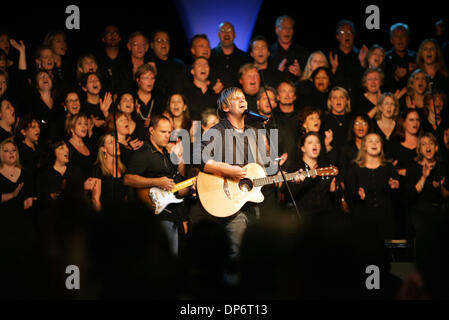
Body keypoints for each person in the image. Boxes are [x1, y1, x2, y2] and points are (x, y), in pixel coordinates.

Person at [197, 87, 270, 260]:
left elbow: (259, 169)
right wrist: (227, 170)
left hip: (251, 202)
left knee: (253, 256)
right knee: (236, 255)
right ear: (225, 107)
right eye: (236, 98)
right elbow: (199, 158)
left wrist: (289, 175)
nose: (242, 100)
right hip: (229, 202)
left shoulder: (253, 133)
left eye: (243, 97)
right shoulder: (217, 131)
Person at [124, 115, 190, 256]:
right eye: (163, 132)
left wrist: (189, 188)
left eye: (169, 132)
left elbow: (176, 185)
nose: (167, 136)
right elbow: (128, 179)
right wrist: (156, 181)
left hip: (173, 213)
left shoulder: (167, 154)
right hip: (156, 215)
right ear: (152, 131)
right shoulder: (144, 153)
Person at [344, 133, 400, 240]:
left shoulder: (388, 167)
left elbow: (398, 198)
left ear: (381, 146)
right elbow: (349, 195)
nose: (374, 143)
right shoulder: (354, 167)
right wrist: (359, 195)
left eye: (377, 141)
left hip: (385, 219)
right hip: (362, 218)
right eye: (370, 141)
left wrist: (395, 188)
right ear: (364, 146)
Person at [402, 132, 449, 252]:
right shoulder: (413, 167)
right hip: (419, 214)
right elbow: (409, 196)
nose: (428, 147)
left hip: (438, 212)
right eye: (424, 144)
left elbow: (446, 195)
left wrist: (440, 187)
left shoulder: (442, 166)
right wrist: (424, 177)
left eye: (431, 143)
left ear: (436, 147)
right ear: (420, 149)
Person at [287, 132, 339, 222]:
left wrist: (334, 191)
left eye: (317, 142)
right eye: (310, 142)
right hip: (302, 218)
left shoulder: (326, 167)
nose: (315, 144)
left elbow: (335, 198)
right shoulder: (295, 168)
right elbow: (289, 194)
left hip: (325, 218)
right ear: (303, 148)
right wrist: (305, 181)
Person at [329, 20, 367, 99]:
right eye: (343, 32)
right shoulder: (332, 56)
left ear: (354, 35)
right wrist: (333, 69)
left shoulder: (360, 55)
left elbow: (367, 80)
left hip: (358, 98)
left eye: (349, 32)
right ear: (337, 36)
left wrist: (363, 63)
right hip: (338, 99)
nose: (347, 35)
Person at [210, 22, 252, 88]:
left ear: (235, 35)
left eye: (229, 30)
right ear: (218, 35)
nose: (226, 34)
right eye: (223, 31)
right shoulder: (210, 56)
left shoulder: (244, 57)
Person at [92, 133, 127, 211]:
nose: (116, 144)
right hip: (106, 214)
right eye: (111, 142)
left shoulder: (122, 168)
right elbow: (95, 199)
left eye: (116, 141)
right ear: (103, 149)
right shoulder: (98, 169)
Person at [269, 16, 309, 82]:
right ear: (277, 30)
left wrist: (300, 74)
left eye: (290, 28)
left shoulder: (302, 52)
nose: (287, 31)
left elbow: (309, 77)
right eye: (284, 27)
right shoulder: (269, 52)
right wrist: (278, 74)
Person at [96, 25, 133, 96]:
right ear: (103, 39)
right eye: (109, 33)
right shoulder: (97, 61)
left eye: (115, 33)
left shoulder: (128, 59)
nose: (112, 36)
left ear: (119, 38)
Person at [339, 113, 372, 188]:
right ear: (352, 127)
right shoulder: (346, 148)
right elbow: (343, 172)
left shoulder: (374, 146)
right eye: (357, 123)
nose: (361, 127)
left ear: (368, 126)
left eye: (364, 123)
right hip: (352, 189)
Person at [148, 29, 185, 95]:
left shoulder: (179, 64)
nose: (163, 43)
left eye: (166, 40)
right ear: (152, 45)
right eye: (159, 40)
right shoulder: (148, 64)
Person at [181, 56, 218, 121]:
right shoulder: (185, 95)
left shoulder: (216, 96)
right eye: (199, 65)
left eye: (206, 65)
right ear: (192, 71)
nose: (203, 67)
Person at [384, 23, 417, 93]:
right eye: (396, 36)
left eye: (403, 35)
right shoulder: (385, 58)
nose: (400, 39)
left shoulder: (416, 57)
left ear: (408, 38)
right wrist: (395, 77)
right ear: (391, 40)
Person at [321, 86, 352, 158]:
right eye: (335, 97)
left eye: (341, 97)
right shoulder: (323, 120)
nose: (338, 100)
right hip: (330, 157)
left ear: (347, 101)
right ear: (330, 101)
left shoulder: (352, 119)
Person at [390, 108, 421, 176]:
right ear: (403, 123)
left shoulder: (423, 143)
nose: (415, 123)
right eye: (411, 120)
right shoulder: (394, 143)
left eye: (417, 120)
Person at [65, 113, 96, 180]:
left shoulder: (89, 146)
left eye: (85, 124)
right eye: (79, 124)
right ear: (71, 128)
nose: (84, 127)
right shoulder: (66, 147)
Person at [134, 63, 165, 128]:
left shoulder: (159, 98)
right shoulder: (132, 99)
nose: (150, 81)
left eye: (152, 78)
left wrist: (152, 123)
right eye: (146, 78)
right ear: (138, 80)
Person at [15, 114, 41, 181]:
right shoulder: (21, 151)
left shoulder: (38, 148)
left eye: (38, 127)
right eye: (33, 127)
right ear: (23, 132)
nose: (37, 130)